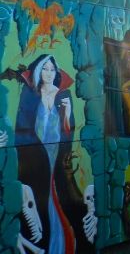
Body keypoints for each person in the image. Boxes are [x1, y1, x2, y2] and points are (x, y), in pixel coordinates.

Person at [8, 55, 86, 252]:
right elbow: (22, 129)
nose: (49, 73)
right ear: (38, 71)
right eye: (45, 69)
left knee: (60, 201)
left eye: (52, 69)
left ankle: (62, 246)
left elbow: (69, 132)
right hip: (36, 161)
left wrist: (67, 115)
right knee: (40, 202)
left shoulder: (64, 95)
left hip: (57, 157)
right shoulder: (30, 94)